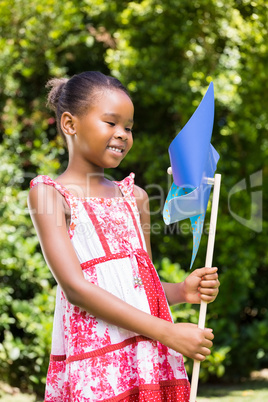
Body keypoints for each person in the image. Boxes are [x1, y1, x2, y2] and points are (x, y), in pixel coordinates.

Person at [28, 71, 220, 402]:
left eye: (128, 127)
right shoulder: (49, 194)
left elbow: (141, 289)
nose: (122, 134)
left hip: (148, 359)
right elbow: (76, 289)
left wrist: (181, 291)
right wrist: (169, 332)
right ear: (70, 124)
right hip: (101, 362)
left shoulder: (137, 197)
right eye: (111, 123)